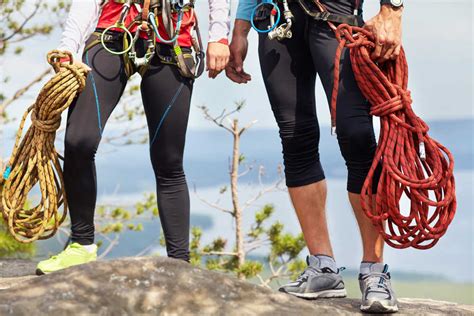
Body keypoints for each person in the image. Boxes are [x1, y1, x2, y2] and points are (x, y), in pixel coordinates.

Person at [226, 0, 403, 313]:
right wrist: (241, 28)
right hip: (275, 18)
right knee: (296, 138)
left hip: (334, 12)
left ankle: (375, 271)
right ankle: (323, 269)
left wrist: (392, 10)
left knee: (358, 135)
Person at [36, 0, 230, 274]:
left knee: (168, 160)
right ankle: (81, 245)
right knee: (78, 141)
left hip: (171, 33)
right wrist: (69, 44)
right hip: (113, 29)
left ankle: (179, 264)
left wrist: (219, 35)